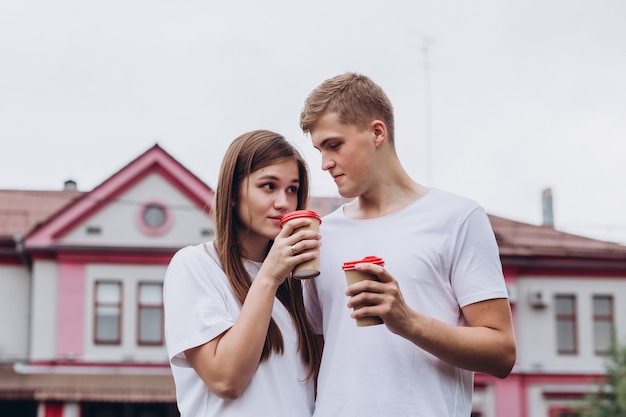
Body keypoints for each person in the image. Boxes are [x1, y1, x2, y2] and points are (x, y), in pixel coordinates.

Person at [299, 73, 517, 416]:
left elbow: (501, 353)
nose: (324, 163)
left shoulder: (457, 218)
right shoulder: (321, 235)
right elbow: (315, 353)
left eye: (334, 145)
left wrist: (409, 322)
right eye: (319, 150)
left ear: (376, 133)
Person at [163, 130, 322, 417]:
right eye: (268, 186)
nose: (284, 203)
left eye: (292, 189)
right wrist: (270, 276)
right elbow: (226, 380)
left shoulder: (299, 282)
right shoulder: (196, 266)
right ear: (233, 194)